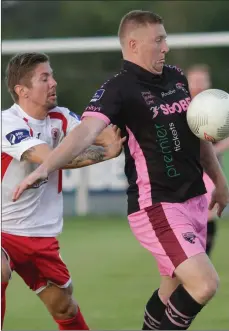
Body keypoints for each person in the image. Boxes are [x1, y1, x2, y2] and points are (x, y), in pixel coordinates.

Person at [12, 11, 229, 330]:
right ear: (133, 44)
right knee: (205, 284)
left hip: (194, 199)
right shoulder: (119, 88)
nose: (166, 46)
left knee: (172, 290)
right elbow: (85, 131)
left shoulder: (176, 77)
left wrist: (219, 181)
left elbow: (199, 137)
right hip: (158, 205)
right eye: (159, 40)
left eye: (165, 38)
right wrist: (46, 167)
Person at [1, 52, 125, 330]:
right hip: (3, 230)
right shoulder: (7, 123)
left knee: (64, 307)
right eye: (44, 78)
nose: (54, 82)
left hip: (40, 235)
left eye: (52, 75)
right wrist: (105, 154)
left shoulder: (61, 117)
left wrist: (110, 133)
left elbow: (96, 134)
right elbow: (49, 157)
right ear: (22, 91)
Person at [187, 64, 229, 256]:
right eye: (195, 81)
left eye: (202, 81)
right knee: (188, 214)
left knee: (209, 212)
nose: (199, 85)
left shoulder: (216, 104)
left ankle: (204, 256)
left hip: (209, 168)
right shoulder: (181, 106)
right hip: (186, 167)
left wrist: (214, 149)